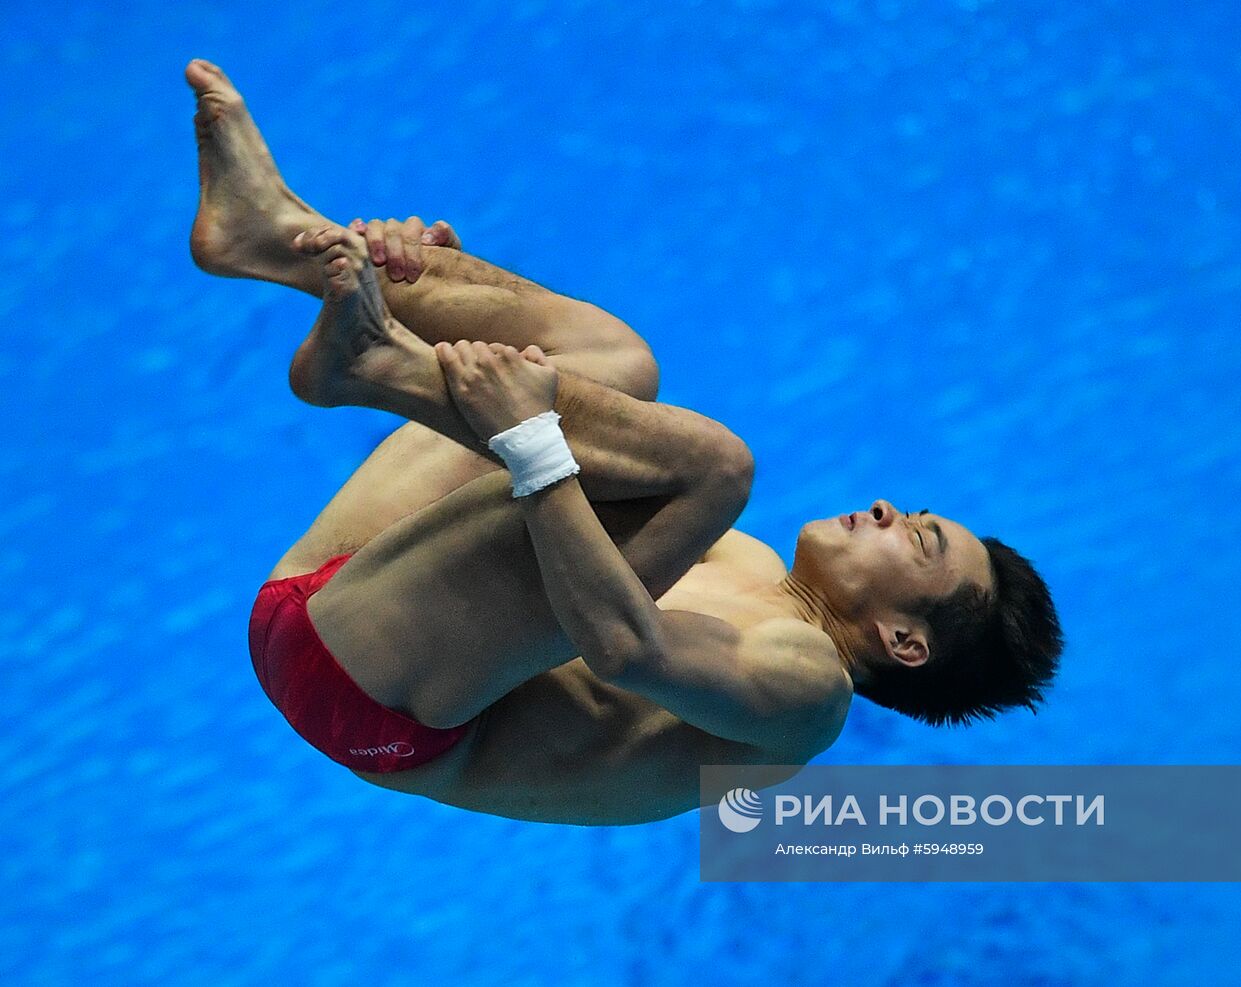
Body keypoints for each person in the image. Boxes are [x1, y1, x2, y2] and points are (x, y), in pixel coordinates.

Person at [188, 60, 1063, 825]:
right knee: (620, 369)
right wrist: (455, 292)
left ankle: (382, 360)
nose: (886, 507)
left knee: (715, 467)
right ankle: (277, 243)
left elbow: (625, 647)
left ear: (904, 640)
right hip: (343, 593)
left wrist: (527, 432)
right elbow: (572, 472)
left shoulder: (808, 694)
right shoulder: (749, 562)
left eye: (918, 538)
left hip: (363, 696)